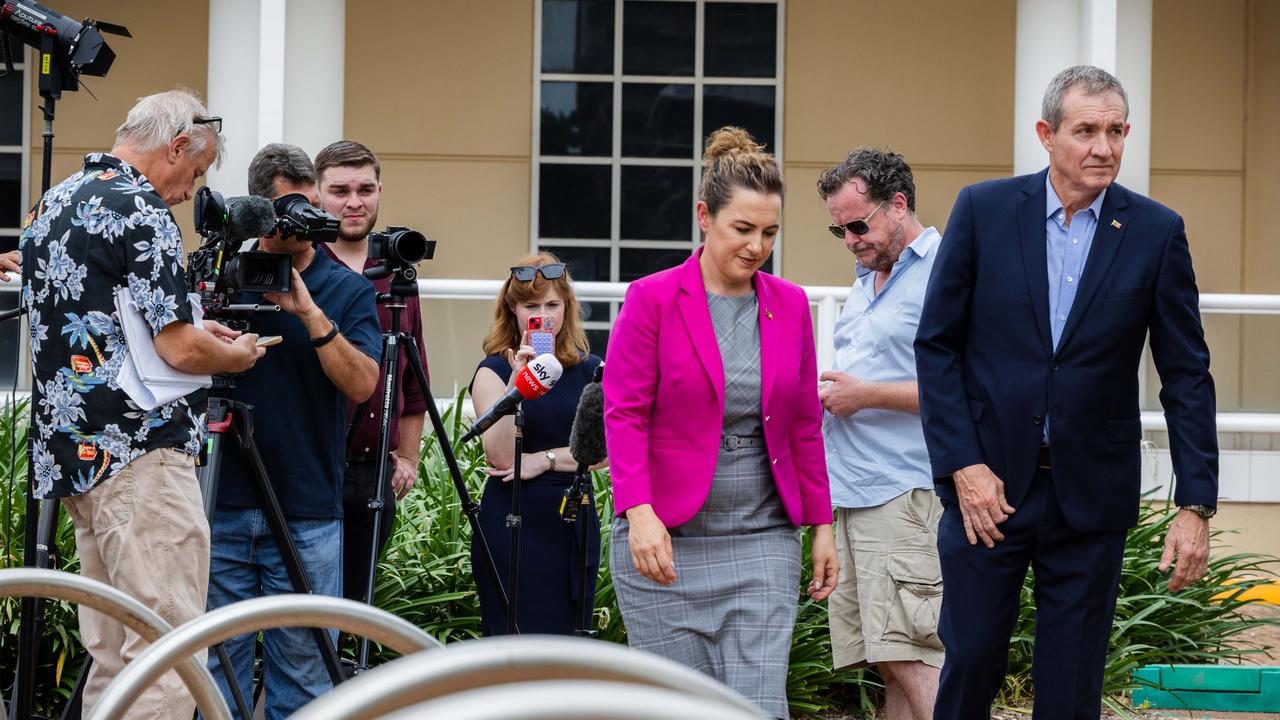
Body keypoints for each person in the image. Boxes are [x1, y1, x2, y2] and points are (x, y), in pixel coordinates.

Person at [915, 65, 1218, 719]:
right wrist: (963, 466)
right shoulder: (984, 210)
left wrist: (1195, 505)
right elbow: (936, 346)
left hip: (1091, 495)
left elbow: (1187, 374)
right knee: (970, 662)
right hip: (986, 493)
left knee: (1072, 685)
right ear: (1047, 134)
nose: (1103, 147)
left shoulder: (1156, 231)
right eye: (1086, 131)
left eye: (1115, 131)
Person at [19, 89, 263, 718]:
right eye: (197, 172)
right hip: (140, 451)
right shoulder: (143, 209)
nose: (190, 192)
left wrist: (195, 332)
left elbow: (107, 323)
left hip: (74, 453)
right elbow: (177, 350)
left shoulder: (56, 203)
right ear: (177, 145)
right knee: (167, 651)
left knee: (113, 656)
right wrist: (233, 357)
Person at [603, 127, 838, 719]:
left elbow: (804, 424)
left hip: (762, 539)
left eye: (770, 233)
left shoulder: (790, 305)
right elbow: (623, 412)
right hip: (665, 541)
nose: (758, 245)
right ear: (704, 217)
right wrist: (639, 514)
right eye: (744, 229)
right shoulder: (651, 299)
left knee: (758, 708)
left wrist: (822, 524)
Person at [205, 143, 381, 718]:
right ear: (259, 208)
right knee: (216, 673)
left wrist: (309, 313)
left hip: (306, 509)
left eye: (308, 207)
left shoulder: (347, 289)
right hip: (219, 502)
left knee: (305, 679)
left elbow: (362, 386)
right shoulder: (222, 275)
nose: (299, 223)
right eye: (286, 209)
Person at [816, 148, 942, 720]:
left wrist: (867, 395)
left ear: (898, 205)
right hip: (855, 492)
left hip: (904, 491)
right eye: (839, 229)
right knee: (888, 659)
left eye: (858, 225)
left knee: (914, 658)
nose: (850, 240)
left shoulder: (944, 269)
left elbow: (971, 390)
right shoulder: (866, 277)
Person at [313, 140, 428, 606]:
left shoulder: (397, 272)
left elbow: (413, 377)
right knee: (309, 607)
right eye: (340, 190)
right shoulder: (307, 267)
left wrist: (409, 456)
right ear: (317, 195)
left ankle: (349, 679)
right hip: (313, 464)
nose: (354, 202)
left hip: (373, 468)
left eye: (365, 189)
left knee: (356, 607)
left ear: (380, 191)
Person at [468, 252, 604, 635]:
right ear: (512, 309)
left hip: (572, 515)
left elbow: (603, 452)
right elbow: (497, 451)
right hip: (513, 517)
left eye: (552, 304)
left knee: (568, 644)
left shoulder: (591, 368)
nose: (542, 314)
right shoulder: (493, 370)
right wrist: (518, 383)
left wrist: (544, 460)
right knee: (511, 641)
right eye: (531, 305)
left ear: (567, 308)